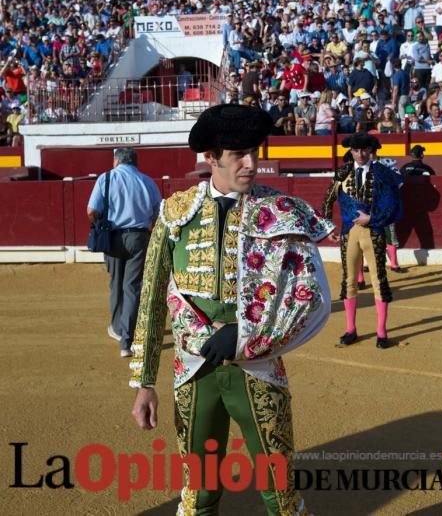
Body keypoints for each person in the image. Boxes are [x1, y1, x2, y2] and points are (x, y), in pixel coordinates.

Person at [130, 104, 336, 514]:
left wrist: (244, 337)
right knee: (198, 493)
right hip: (193, 370)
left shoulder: (280, 211)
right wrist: (144, 380)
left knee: (280, 492)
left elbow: (311, 298)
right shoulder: (175, 213)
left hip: (258, 368)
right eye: (239, 154)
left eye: (255, 151)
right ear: (211, 157)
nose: (252, 163)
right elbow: (151, 297)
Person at [322, 132, 402, 349]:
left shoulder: (383, 173)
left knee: (379, 280)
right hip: (349, 234)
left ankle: (381, 332)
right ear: (351, 151)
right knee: (348, 280)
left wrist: (373, 218)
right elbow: (328, 199)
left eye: (364, 149)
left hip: (374, 232)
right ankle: (351, 329)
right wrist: (328, 227)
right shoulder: (342, 173)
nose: (360, 154)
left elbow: (393, 204)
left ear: (372, 150)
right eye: (356, 150)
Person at [87, 148, 161, 357]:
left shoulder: (106, 178)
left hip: (112, 236)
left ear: (116, 161)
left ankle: (118, 329)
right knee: (132, 288)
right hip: (139, 238)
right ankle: (126, 342)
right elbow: (158, 214)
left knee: (116, 283)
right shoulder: (147, 181)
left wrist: (99, 225)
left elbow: (91, 211)